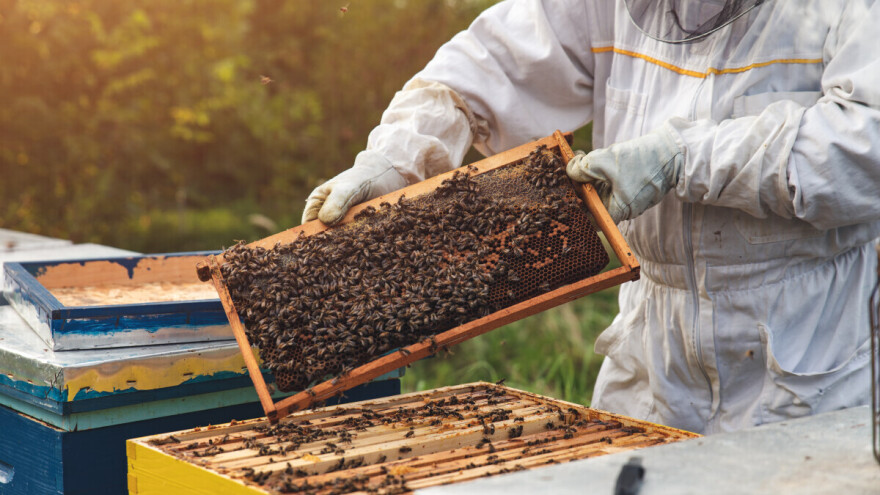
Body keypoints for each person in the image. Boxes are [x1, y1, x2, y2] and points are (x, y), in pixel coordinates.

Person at [302, 0, 880, 434]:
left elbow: (866, 143)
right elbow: (481, 72)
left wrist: (685, 157)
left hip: (810, 346)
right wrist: (397, 157)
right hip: (652, 347)